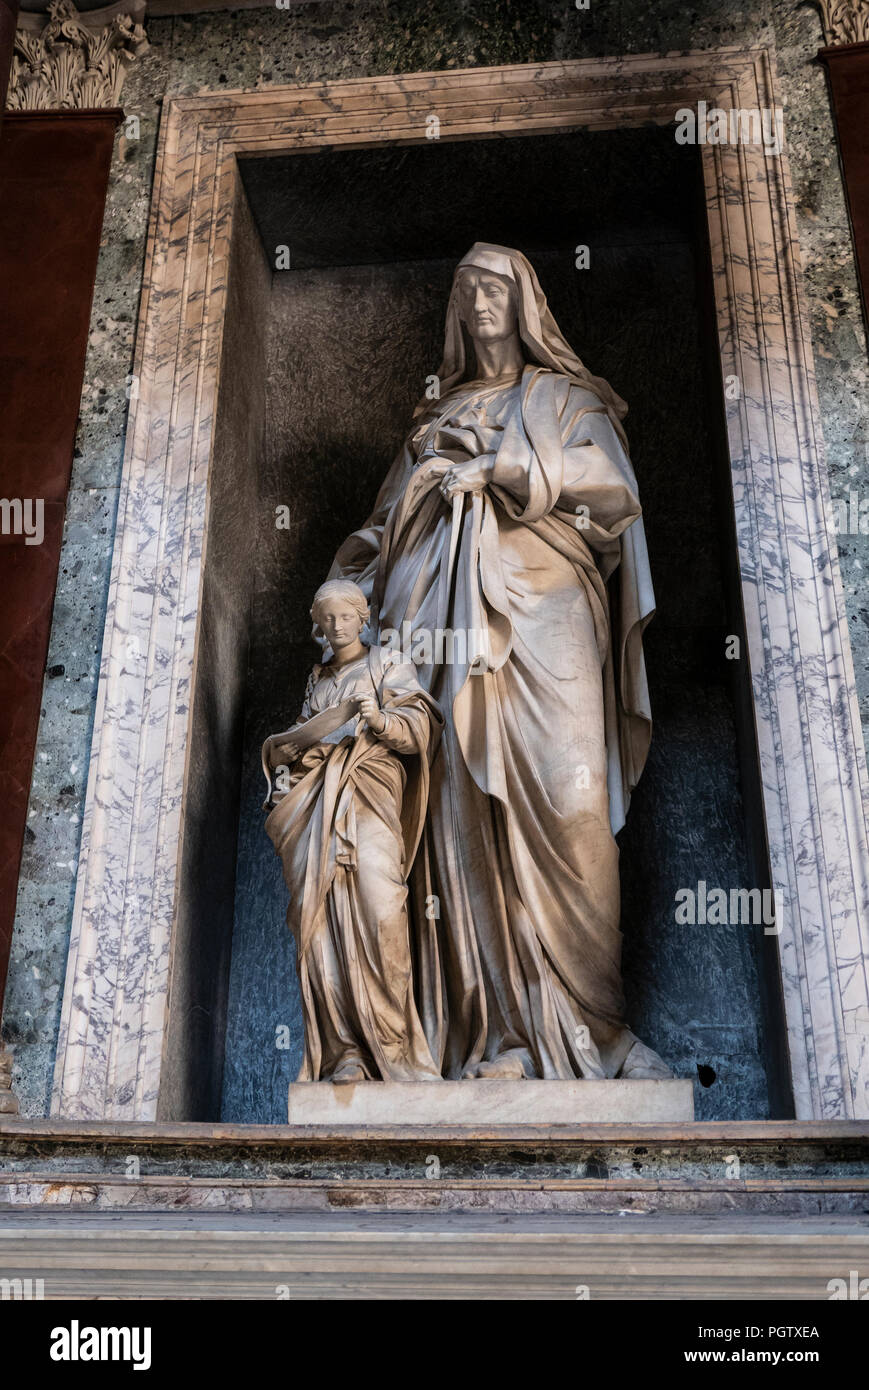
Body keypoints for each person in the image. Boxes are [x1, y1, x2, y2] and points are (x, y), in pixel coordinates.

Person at [328, 243, 672, 1082]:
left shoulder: (564, 399)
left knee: (570, 798)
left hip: (547, 608)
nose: (481, 302)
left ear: (526, 303)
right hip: (434, 623)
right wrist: (350, 577)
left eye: (495, 287)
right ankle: (500, 1038)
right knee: (457, 811)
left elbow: (611, 488)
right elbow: (375, 539)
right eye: (468, 289)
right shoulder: (427, 424)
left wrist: (500, 467)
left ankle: (596, 1027)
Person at [263, 579, 443, 1083]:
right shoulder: (316, 680)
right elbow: (293, 744)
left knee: (381, 905)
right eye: (327, 619)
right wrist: (292, 755)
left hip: (369, 794)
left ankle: (392, 1043)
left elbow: (420, 731)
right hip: (315, 806)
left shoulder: (388, 663)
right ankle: (346, 1051)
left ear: (363, 617)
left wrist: (380, 720)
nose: (337, 627)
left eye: (346, 617)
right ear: (316, 624)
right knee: (317, 918)